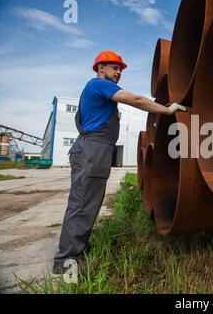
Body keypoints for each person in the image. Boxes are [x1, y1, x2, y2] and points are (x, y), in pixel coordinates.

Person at [52, 51, 186, 274]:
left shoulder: (93, 89)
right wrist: (167, 109)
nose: (118, 73)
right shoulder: (99, 85)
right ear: (100, 68)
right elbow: (135, 100)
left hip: (93, 151)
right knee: (82, 204)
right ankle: (67, 260)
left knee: (88, 203)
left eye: (120, 70)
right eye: (114, 68)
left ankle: (77, 248)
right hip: (92, 151)